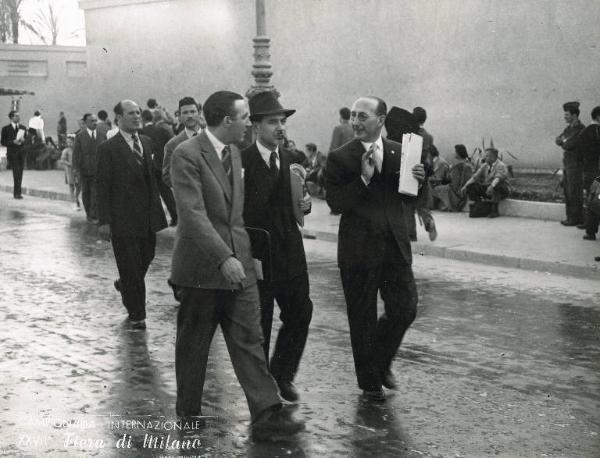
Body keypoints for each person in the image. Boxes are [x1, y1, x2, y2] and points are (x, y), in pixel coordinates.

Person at [169, 90, 304, 439]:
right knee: (194, 347)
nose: (249, 122)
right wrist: (223, 257)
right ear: (227, 120)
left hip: (239, 266)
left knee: (249, 339)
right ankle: (188, 414)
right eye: (245, 117)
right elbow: (193, 215)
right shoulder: (186, 155)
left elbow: (237, 217)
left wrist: (243, 259)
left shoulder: (233, 153)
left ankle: (267, 413)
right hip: (201, 270)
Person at [324, 96, 425, 402]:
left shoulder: (400, 152)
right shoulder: (340, 157)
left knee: (405, 308)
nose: (355, 121)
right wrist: (364, 180)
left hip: (394, 247)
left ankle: (379, 363)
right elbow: (335, 204)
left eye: (363, 116)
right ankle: (369, 383)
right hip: (358, 250)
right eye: (353, 115)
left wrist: (420, 181)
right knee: (362, 317)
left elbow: (409, 197)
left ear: (381, 120)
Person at [242, 91, 313, 403]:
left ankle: (282, 374)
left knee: (301, 311)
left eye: (283, 122)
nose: (280, 128)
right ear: (256, 126)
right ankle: (261, 389)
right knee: (262, 321)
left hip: (290, 250)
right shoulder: (242, 160)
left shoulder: (288, 159)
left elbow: (293, 204)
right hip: (259, 253)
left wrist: (304, 204)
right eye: (273, 122)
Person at [96, 100, 167, 330]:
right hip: (122, 219)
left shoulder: (146, 142)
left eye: (138, 113)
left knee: (146, 258)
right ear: (118, 118)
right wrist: (104, 221)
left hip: (147, 218)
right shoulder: (108, 149)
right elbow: (102, 186)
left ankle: (124, 284)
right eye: (131, 113)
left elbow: (153, 178)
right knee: (131, 267)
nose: (137, 117)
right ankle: (138, 314)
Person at [140, 109, 177, 226]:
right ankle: (175, 216)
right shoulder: (161, 130)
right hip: (162, 166)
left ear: (143, 119)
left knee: (150, 194)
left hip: (148, 167)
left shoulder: (141, 132)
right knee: (166, 193)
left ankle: (154, 221)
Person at [162, 97, 204, 188]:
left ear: (199, 114)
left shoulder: (211, 138)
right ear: (179, 117)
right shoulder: (172, 145)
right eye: (185, 113)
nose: (189, 116)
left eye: (192, 112)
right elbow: (167, 176)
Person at [556, 101, 585, 226]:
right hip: (567, 164)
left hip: (576, 165)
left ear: (574, 115)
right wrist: (564, 141)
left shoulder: (581, 129)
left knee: (575, 192)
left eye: (567, 115)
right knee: (568, 192)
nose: (565, 117)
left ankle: (575, 219)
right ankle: (571, 218)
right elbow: (558, 140)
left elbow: (569, 144)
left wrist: (564, 141)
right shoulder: (568, 129)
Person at [73, 113, 105, 223]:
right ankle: (89, 214)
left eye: (96, 120)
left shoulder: (102, 135)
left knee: (95, 192)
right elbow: (76, 154)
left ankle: (94, 215)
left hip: (98, 169)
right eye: (92, 121)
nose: (95, 123)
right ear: (86, 123)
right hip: (84, 169)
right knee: (86, 192)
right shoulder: (80, 136)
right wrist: (76, 169)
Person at [462, 147, 510, 218]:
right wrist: (465, 186)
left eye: (487, 156)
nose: (485, 158)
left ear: (493, 157)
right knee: (471, 186)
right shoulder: (485, 165)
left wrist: (491, 186)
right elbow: (475, 177)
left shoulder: (501, 165)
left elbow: (498, 178)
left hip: (501, 190)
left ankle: (494, 210)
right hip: (488, 188)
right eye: (485, 155)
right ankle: (479, 207)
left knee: (497, 185)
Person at [431, 144, 473, 211]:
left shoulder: (457, 166)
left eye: (455, 151)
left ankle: (446, 205)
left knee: (436, 189)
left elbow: (452, 181)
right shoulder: (468, 164)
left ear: (458, 153)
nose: (454, 153)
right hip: (464, 190)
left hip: (455, 191)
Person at [580, 106, 600, 240]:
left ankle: (590, 231)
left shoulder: (584, 132)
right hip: (597, 172)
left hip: (588, 171)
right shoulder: (598, 131)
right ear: (598, 116)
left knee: (591, 200)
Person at [1, 110, 28, 199]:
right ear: (11, 117)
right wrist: (13, 142)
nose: (18, 117)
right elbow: (3, 142)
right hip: (12, 154)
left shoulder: (23, 128)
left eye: (19, 116)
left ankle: (18, 192)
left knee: (20, 173)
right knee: (16, 173)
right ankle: (17, 193)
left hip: (21, 153)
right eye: (16, 116)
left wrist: (24, 140)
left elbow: (27, 140)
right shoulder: (5, 129)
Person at [59, 135, 81, 209]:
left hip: (77, 170)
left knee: (78, 186)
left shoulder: (78, 150)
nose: (69, 144)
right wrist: (69, 164)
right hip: (69, 171)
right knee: (71, 186)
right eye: (68, 142)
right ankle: (74, 202)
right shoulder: (66, 151)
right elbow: (62, 160)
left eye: (71, 142)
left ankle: (76, 198)